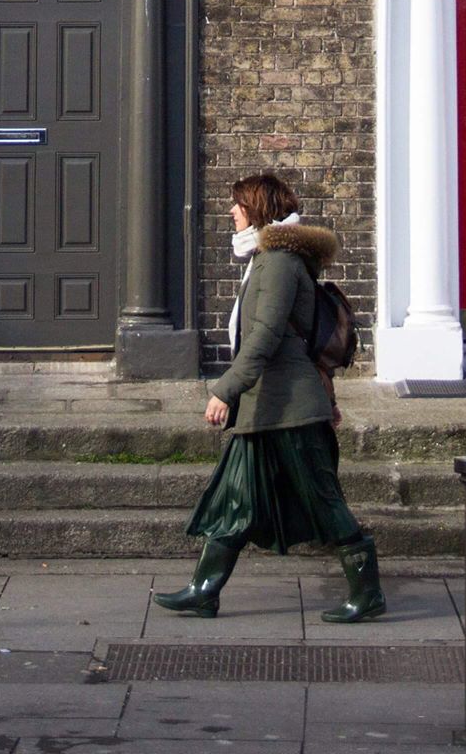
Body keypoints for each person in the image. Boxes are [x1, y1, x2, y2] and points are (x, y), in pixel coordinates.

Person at [153, 171, 385, 623]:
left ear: (258, 208)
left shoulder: (278, 262)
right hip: (265, 408)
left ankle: (368, 591)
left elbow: (266, 336)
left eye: (238, 205)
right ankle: (204, 589)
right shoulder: (266, 257)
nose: (231, 213)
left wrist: (224, 390)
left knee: (323, 500)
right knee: (234, 499)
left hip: (289, 409)